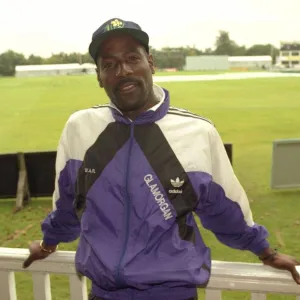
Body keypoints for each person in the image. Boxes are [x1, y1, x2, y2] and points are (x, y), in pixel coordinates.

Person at [23, 18, 300, 300]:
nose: (124, 71)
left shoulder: (197, 132)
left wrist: (267, 253)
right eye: (109, 64)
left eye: (133, 58)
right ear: (98, 75)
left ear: (150, 62)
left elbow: (225, 209)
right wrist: (48, 244)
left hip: (174, 294)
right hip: (103, 294)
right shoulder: (79, 128)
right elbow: (68, 203)